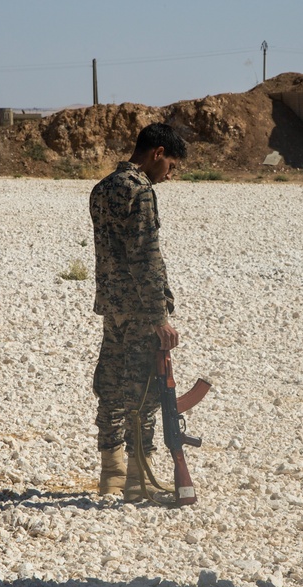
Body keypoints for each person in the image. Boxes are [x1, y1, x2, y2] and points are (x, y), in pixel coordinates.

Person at [89, 123, 187, 501]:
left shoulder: (102, 189)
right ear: (157, 153)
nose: (170, 175)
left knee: (110, 388)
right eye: (171, 165)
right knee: (143, 392)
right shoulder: (139, 190)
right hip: (140, 310)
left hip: (112, 307)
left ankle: (110, 472)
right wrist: (160, 317)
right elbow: (146, 258)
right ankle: (138, 478)